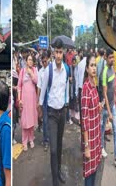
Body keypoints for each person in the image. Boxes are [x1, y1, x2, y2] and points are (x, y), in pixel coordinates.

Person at [38, 39, 69, 186]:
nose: (58, 55)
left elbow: (66, 89)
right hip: (51, 114)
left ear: (63, 53)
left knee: (60, 145)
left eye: (60, 52)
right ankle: (55, 180)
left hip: (62, 112)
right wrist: (40, 110)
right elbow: (42, 93)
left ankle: (59, 171)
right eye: (56, 52)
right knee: (53, 150)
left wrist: (66, 104)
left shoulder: (66, 70)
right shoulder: (48, 71)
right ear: (53, 53)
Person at [81, 55, 103, 186]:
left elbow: (92, 109)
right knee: (89, 175)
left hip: (96, 136)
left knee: (95, 170)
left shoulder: (94, 84)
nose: (94, 68)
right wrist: (87, 147)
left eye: (95, 65)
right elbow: (84, 119)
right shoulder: (86, 88)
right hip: (89, 139)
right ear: (87, 69)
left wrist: (98, 107)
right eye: (91, 65)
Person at [101, 48, 116, 169]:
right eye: (110, 57)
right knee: (102, 128)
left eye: (113, 57)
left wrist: (115, 101)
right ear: (106, 58)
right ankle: (101, 148)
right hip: (105, 108)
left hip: (112, 106)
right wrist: (109, 112)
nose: (113, 59)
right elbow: (104, 93)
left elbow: (113, 86)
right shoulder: (104, 72)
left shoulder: (113, 69)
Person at [18, 54, 38, 151]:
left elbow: (37, 81)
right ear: (26, 61)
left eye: (31, 60)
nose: (30, 61)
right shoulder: (22, 71)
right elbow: (19, 86)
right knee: (25, 121)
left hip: (32, 99)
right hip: (24, 100)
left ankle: (31, 139)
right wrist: (19, 99)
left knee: (31, 120)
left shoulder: (34, 70)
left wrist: (31, 73)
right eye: (29, 60)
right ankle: (24, 141)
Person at [37, 51, 50, 151]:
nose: (44, 63)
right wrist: (38, 101)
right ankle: (46, 140)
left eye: (45, 61)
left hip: (52, 97)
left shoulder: (52, 70)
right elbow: (39, 87)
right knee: (45, 121)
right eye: (43, 62)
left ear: (49, 59)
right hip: (44, 98)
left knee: (52, 121)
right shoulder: (40, 72)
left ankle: (52, 139)